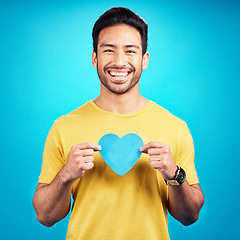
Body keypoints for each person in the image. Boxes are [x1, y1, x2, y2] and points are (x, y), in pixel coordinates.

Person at [33, 7, 204, 240]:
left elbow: (189, 216)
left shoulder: (175, 127)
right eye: (109, 50)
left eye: (130, 51)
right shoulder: (64, 127)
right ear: (95, 58)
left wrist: (173, 174)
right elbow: (45, 216)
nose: (119, 61)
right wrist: (66, 175)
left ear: (144, 60)